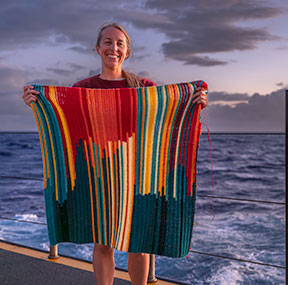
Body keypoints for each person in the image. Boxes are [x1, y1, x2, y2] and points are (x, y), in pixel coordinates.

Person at [22, 23, 208, 285]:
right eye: (108, 42)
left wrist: (193, 101)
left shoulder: (143, 87)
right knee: (103, 243)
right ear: (98, 49)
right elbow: (63, 121)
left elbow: (165, 120)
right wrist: (37, 101)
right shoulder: (83, 88)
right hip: (99, 176)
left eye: (120, 43)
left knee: (139, 242)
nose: (114, 48)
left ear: (127, 52)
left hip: (139, 176)